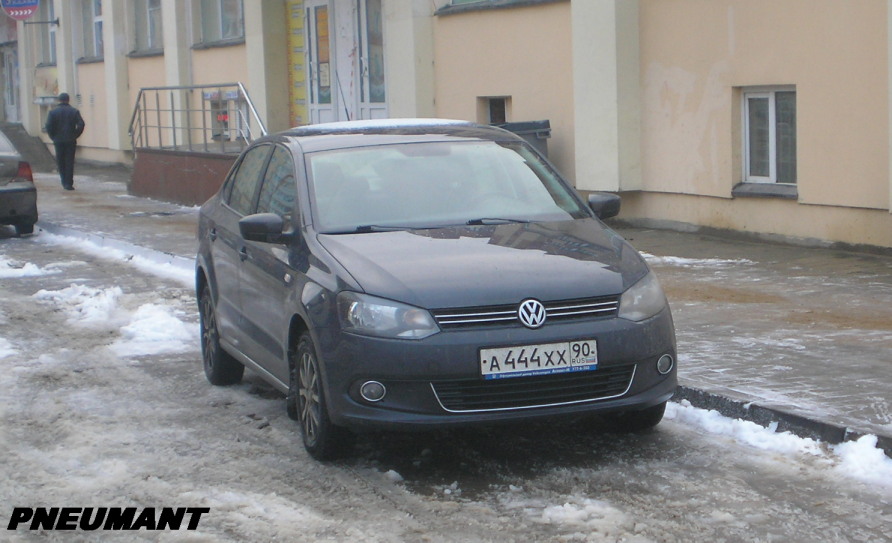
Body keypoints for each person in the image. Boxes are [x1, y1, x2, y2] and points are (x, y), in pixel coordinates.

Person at [45, 92, 85, 191]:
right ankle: (69, 183)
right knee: (69, 161)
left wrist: (53, 136)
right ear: (68, 100)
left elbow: (48, 126)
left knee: (60, 161)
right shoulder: (74, 111)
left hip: (58, 140)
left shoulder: (52, 112)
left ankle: (64, 181)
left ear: (59, 100)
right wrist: (75, 134)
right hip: (70, 140)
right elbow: (81, 124)